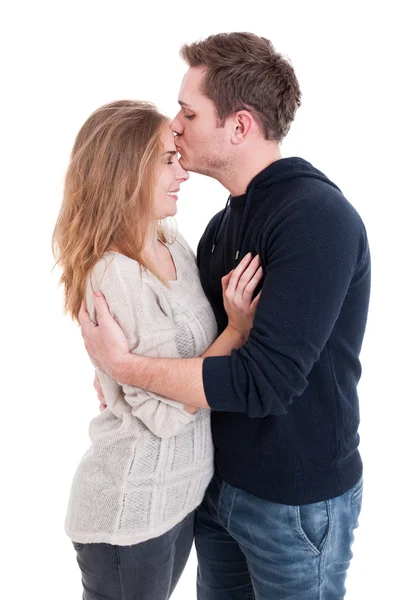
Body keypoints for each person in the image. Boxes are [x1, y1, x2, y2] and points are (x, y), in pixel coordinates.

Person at [80, 33, 371, 599]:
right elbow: (196, 352)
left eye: (189, 112)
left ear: (239, 127)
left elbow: (263, 383)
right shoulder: (219, 228)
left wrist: (122, 363)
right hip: (217, 493)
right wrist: (117, 373)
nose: (176, 125)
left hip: (294, 506)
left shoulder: (316, 220)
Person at [52, 99, 263, 600]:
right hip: (129, 510)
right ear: (127, 172)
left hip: (180, 499)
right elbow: (167, 414)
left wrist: (122, 375)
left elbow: (168, 368)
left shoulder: (171, 240)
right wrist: (236, 330)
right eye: (167, 160)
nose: (182, 171)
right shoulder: (112, 274)